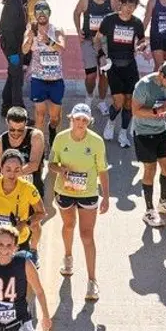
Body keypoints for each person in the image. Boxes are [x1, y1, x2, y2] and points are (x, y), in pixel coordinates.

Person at [47, 103, 110, 301]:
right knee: (68, 225)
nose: (81, 123)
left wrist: (106, 196)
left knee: (86, 235)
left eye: (84, 120)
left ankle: (92, 281)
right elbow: (51, 164)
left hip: (88, 192)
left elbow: (102, 170)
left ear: (89, 121)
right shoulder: (60, 138)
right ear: (71, 119)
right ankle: (68, 258)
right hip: (65, 191)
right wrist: (62, 170)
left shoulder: (97, 141)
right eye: (77, 119)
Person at [131, 61, 166, 228]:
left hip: (162, 131)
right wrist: (158, 110)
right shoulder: (143, 86)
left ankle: (163, 202)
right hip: (143, 133)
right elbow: (135, 111)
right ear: (161, 74)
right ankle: (149, 210)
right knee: (150, 169)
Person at [98, 0, 149, 147]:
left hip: (130, 65)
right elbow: (98, 39)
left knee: (129, 103)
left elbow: (142, 40)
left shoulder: (137, 23)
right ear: (120, 4)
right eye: (126, 5)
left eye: (132, 6)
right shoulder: (109, 20)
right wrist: (101, 55)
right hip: (113, 65)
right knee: (118, 102)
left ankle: (123, 133)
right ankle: (111, 123)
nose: (129, 9)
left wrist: (142, 45)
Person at [73, 0, 114, 113]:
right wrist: (79, 30)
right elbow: (76, 13)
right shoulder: (85, 0)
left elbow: (119, 15)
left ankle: (102, 101)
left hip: (105, 42)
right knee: (90, 75)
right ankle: (89, 97)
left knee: (104, 74)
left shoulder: (112, 0)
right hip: (89, 41)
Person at [23, 7, 65, 139]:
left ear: (49, 14)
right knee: (39, 115)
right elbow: (24, 50)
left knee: (54, 117)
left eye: (45, 12)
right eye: (38, 12)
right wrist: (29, 39)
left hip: (56, 79)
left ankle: (52, 130)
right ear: (35, 14)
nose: (42, 15)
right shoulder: (31, 30)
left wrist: (49, 41)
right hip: (38, 79)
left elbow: (61, 48)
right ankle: (39, 144)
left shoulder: (57, 30)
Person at [0, 0, 35, 115]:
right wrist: (14, 53)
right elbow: (7, 30)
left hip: (16, 43)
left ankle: (6, 105)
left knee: (13, 74)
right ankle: (18, 113)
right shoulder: (14, 2)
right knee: (17, 78)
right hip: (11, 45)